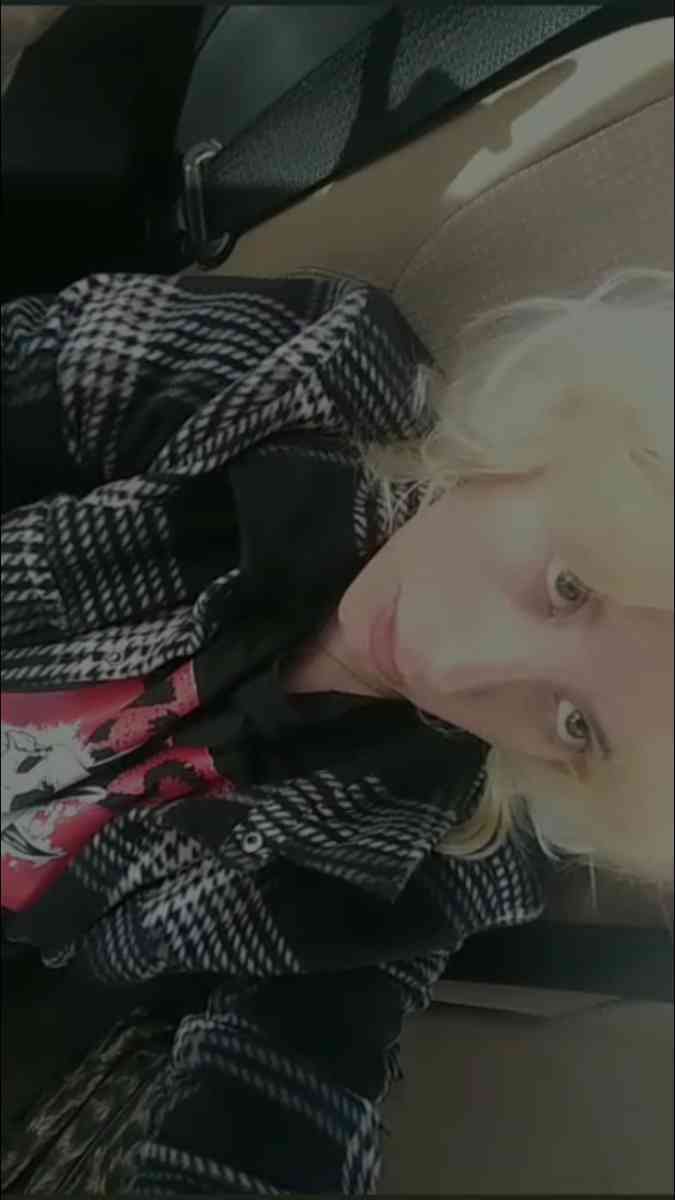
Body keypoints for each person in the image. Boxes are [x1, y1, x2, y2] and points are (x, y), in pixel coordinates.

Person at [2, 261, 673, 1195]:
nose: (452, 668)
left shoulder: (444, 859)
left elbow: (293, 1087)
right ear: (566, 432)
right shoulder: (306, 371)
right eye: (568, 586)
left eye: (574, 724)